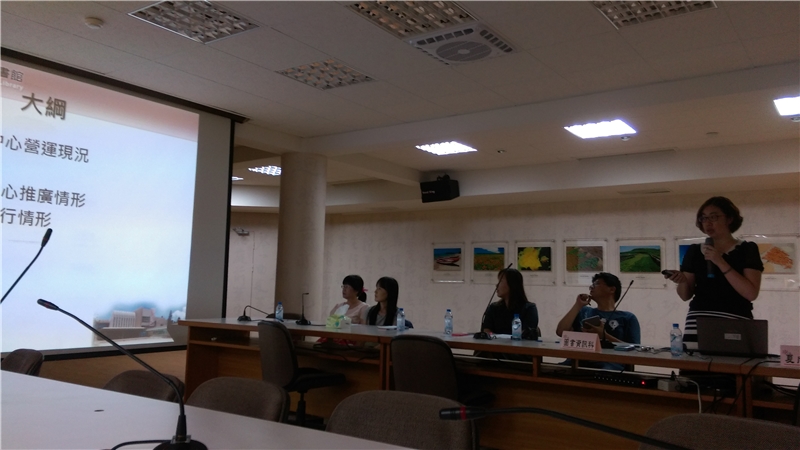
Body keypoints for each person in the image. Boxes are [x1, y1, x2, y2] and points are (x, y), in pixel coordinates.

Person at [665, 196, 763, 350]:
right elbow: (685, 296)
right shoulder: (694, 251)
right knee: (695, 364)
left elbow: (751, 293)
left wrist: (720, 261)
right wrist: (682, 281)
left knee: (733, 364)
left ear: (730, 218)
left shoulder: (747, 249)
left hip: (735, 320)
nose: (708, 223)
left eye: (714, 217)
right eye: (703, 218)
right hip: (698, 321)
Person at [556, 272, 640, 371]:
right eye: (592, 284)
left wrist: (604, 335)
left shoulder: (627, 317)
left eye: (597, 283)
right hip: (580, 360)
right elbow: (560, 331)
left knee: (605, 372)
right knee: (555, 370)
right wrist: (577, 305)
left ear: (612, 289)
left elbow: (635, 350)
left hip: (610, 363)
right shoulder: (584, 311)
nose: (591, 287)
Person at [481, 268, 538, 336]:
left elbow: (527, 334)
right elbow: (487, 331)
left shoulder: (529, 309)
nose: (497, 285)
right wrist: (491, 335)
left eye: (501, 281)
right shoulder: (493, 308)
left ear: (512, 284)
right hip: (496, 342)